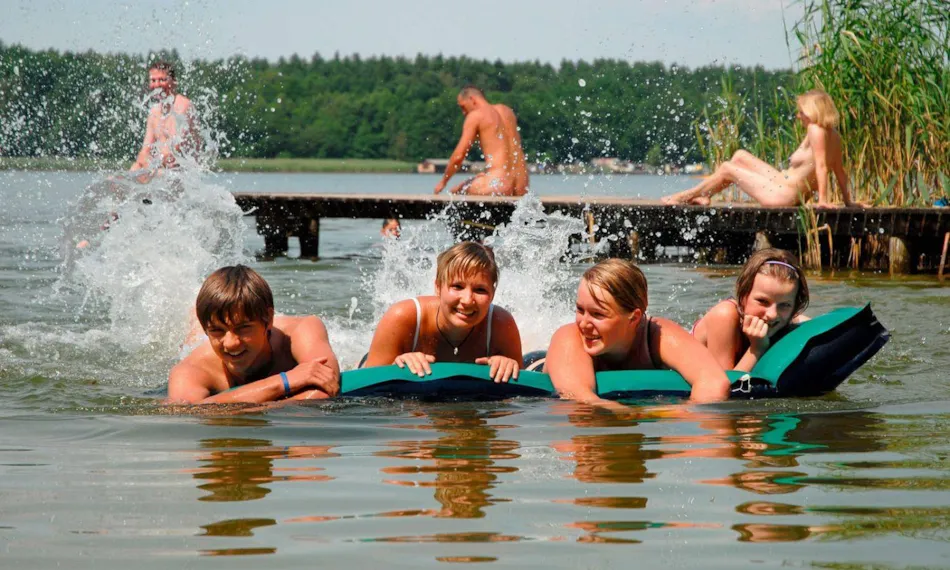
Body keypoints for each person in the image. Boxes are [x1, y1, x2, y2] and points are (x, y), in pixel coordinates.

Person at [544, 259, 731, 404]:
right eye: (579, 310)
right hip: (539, 363)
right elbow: (577, 397)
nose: (584, 323)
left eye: (597, 314)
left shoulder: (657, 336)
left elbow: (714, 382)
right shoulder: (569, 336)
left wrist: (677, 424)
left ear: (633, 318)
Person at [166, 265, 340, 404]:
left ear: (269, 319)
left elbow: (325, 388)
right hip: (202, 347)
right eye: (216, 330)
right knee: (195, 340)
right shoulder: (190, 370)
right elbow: (186, 414)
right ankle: (197, 322)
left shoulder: (301, 330)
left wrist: (225, 407)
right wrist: (284, 382)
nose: (231, 343)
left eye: (243, 328)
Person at [663, 89, 860, 208]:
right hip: (784, 184)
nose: (798, 116)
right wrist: (848, 201)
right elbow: (840, 172)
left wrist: (822, 201)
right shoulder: (833, 135)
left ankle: (684, 196)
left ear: (812, 111)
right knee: (740, 156)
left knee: (727, 168)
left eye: (801, 112)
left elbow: (823, 167)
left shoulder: (815, 130)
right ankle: (704, 195)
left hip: (784, 195)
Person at [361, 241, 523, 383]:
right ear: (438, 287)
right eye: (457, 286)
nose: (467, 300)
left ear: (492, 294)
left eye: (480, 290)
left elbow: (518, 401)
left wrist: (507, 365)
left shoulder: (501, 324)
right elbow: (368, 390)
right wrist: (396, 366)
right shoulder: (402, 316)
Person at [691, 248, 810, 372]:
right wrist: (757, 348)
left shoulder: (789, 319)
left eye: (784, 305)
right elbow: (724, 385)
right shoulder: (724, 316)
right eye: (762, 301)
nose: (772, 314)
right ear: (743, 297)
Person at [434, 86, 529, 197]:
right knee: (482, 178)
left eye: (463, 107)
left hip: (498, 185)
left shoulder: (476, 116)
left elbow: (459, 156)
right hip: (522, 185)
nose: (464, 113)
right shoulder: (507, 111)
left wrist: (443, 182)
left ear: (472, 99)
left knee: (455, 191)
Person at [130, 60, 200, 178]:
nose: (157, 85)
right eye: (153, 80)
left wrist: (150, 166)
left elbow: (174, 152)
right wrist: (145, 164)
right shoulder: (154, 113)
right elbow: (144, 153)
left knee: (143, 174)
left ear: (174, 82)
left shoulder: (182, 106)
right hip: (163, 170)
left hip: (184, 174)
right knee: (133, 169)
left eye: (162, 80)